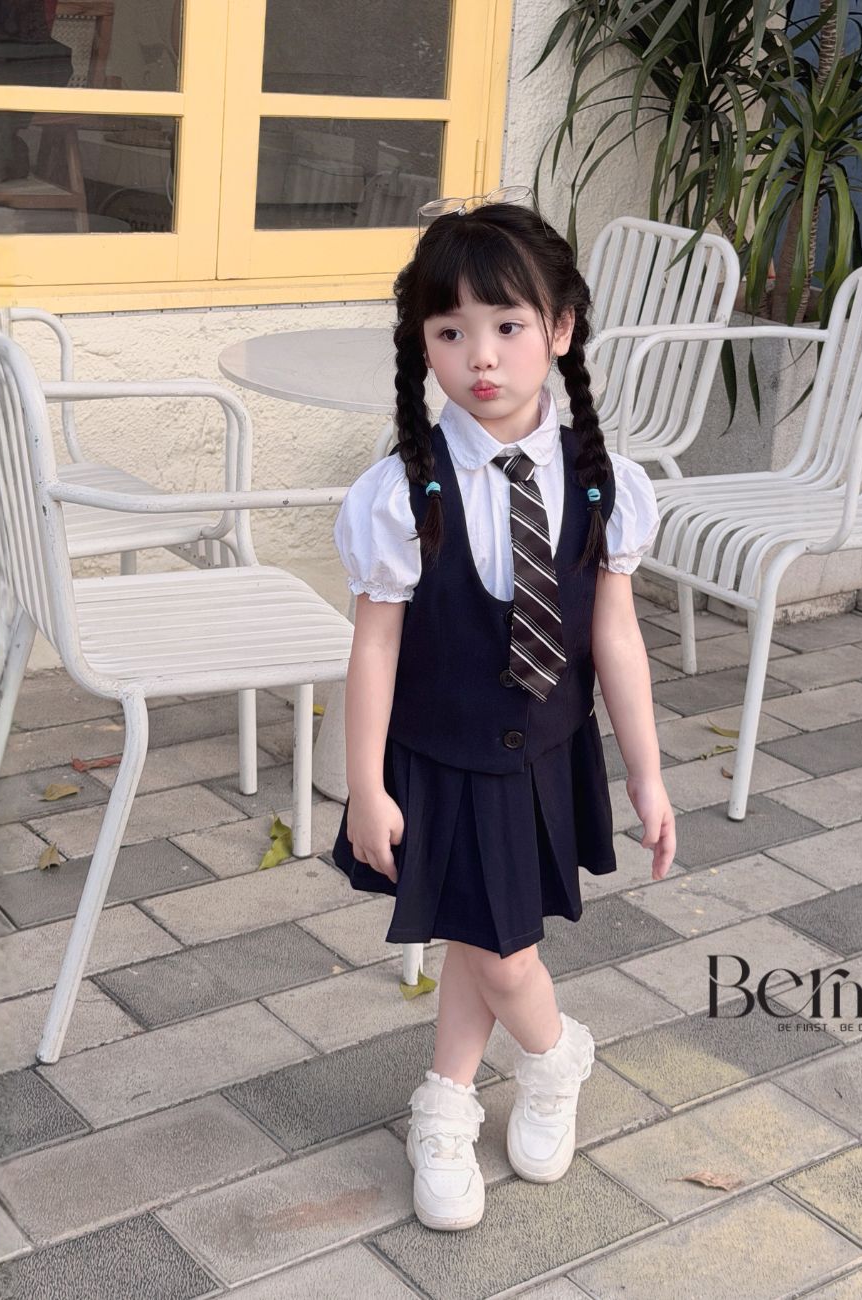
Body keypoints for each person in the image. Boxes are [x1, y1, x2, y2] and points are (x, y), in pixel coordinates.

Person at [330, 197, 677, 1231]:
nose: (480, 356)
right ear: (422, 345)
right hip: (440, 754)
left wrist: (647, 772)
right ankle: (555, 1054)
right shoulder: (401, 493)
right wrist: (362, 785)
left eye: (508, 325)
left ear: (559, 329)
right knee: (497, 945)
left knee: (482, 933)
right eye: (450, 332)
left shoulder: (605, 484)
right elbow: (373, 645)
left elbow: (615, 637)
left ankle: (445, 1101)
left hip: (545, 752)